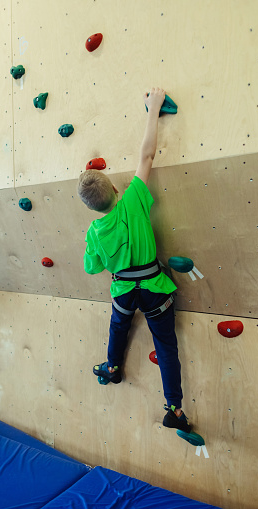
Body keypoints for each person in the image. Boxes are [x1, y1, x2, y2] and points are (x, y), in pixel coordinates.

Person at [77, 88, 191, 433]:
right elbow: (146, 156)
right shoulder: (132, 200)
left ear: (89, 208)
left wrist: (93, 244)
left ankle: (113, 368)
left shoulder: (94, 232)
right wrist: (152, 108)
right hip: (155, 287)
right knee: (166, 347)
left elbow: (92, 267)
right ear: (114, 189)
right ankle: (174, 408)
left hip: (124, 290)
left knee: (118, 326)